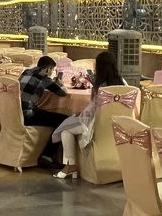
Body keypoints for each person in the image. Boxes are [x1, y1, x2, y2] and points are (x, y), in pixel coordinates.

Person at [52, 51, 124, 180]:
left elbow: (91, 109)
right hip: (117, 126)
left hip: (96, 125)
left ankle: (71, 166)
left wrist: (80, 115)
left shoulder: (100, 86)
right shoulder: (123, 84)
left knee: (65, 130)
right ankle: (71, 167)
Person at [19, 56, 68, 132]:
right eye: (52, 70)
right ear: (48, 69)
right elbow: (63, 93)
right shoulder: (44, 78)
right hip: (28, 116)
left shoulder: (26, 72)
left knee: (45, 113)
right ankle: (52, 140)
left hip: (17, 113)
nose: (51, 72)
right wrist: (60, 83)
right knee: (64, 120)